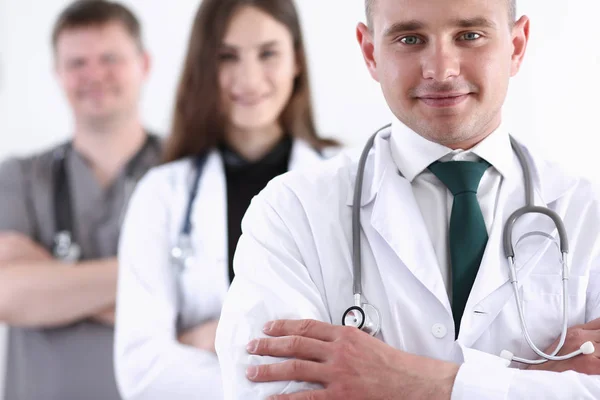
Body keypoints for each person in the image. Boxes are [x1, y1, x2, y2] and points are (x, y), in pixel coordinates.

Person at [215, 0, 600, 398]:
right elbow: (266, 391)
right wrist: (530, 381)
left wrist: (417, 382)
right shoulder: (291, 212)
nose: (441, 69)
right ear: (370, 53)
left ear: (516, 46)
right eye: (410, 38)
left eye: (470, 36)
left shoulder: (588, 212)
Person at [113, 0, 338, 398]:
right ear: (204, 67)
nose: (249, 79)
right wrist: (291, 372)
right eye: (226, 57)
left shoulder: (345, 181)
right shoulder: (163, 193)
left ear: (297, 60)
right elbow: (141, 371)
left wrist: (218, 341)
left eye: (268, 53)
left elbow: (374, 345)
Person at [0, 1, 161, 399]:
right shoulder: (19, 177)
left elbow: (222, 304)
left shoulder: (188, 173)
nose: (94, 75)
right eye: (77, 63)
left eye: (109, 58)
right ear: (57, 73)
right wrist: (158, 285)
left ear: (144, 64)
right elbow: (7, 294)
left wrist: (54, 280)